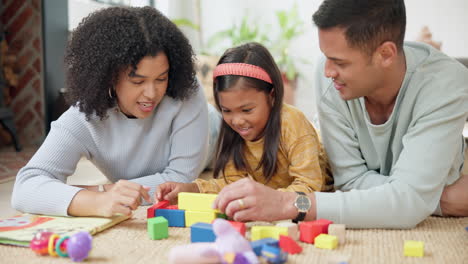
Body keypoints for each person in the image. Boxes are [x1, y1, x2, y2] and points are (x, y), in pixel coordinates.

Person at [213, 0, 468, 228]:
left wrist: (287, 203)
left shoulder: (447, 83)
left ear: (386, 54)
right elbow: (349, 183)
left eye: (340, 62)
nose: (327, 71)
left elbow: (407, 206)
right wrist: (424, 198)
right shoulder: (330, 80)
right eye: (325, 57)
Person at [11, 6, 219, 217]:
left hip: (216, 138)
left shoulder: (185, 90)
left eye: (161, 78)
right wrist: (97, 200)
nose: (151, 93)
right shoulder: (84, 118)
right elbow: (25, 188)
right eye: (138, 81)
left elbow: (181, 180)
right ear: (109, 76)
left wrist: (102, 189)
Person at [156, 42, 333, 212]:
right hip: (274, 192)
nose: (237, 120)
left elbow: (310, 186)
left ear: (271, 95)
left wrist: (270, 200)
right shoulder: (234, 130)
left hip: (316, 177)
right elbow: (232, 182)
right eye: (227, 110)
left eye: (247, 110)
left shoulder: (292, 123)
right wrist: (191, 188)